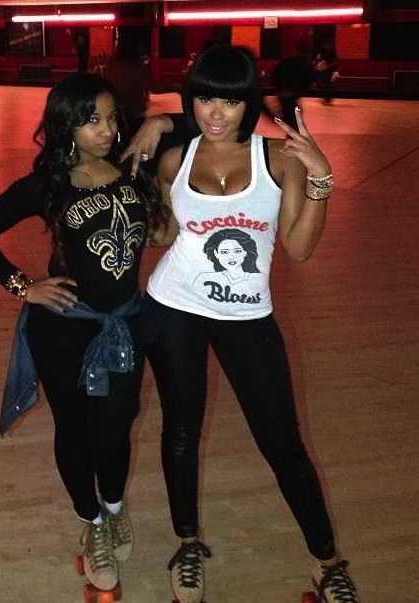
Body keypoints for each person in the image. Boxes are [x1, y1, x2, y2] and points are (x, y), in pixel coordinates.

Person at [122, 45, 361, 603]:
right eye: (204, 98)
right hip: (173, 307)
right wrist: (132, 198)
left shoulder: (278, 160)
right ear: (190, 100)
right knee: (181, 431)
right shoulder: (174, 160)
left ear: (248, 103)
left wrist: (322, 177)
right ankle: (187, 544)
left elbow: (299, 247)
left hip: (247, 316)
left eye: (229, 101)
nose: (215, 113)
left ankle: (327, 561)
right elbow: (163, 235)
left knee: (283, 443)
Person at [0, 72, 168, 594]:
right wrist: (23, 286)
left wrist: (161, 123)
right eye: (91, 120)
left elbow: (209, 126)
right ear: (65, 125)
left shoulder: (133, 168)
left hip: (124, 322)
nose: (106, 129)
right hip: (64, 326)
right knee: (73, 428)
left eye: (112, 117)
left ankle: (113, 507)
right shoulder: (47, 185)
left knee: (115, 427)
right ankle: (92, 524)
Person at [269, 42, 315, 129]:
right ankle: (292, 130)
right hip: (290, 92)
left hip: (285, 92)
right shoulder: (304, 64)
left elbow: (275, 74)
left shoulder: (287, 62)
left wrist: (279, 89)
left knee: (290, 114)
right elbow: (310, 78)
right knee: (292, 115)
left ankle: (291, 129)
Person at [314, 37, 338, 105]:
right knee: (325, 84)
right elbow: (320, 57)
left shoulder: (332, 50)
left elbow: (334, 61)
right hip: (325, 67)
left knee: (327, 84)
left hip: (329, 68)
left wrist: (328, 66)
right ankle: (327, 99)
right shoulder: (324, 50)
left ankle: (327, 99)